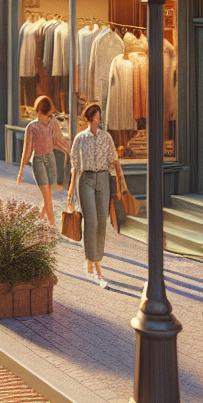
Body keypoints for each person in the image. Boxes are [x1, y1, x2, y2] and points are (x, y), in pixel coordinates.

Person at [65, 102, 125, 288]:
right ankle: (97, 269)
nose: (97, 122)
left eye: (98, 118)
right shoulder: (80, 139)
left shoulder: (106, 138)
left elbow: (113, 162)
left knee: (101, 223)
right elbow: (74, 165)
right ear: (88, 120)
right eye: (94, 119)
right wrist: (70, 191)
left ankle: (93, 259)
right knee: (90, 222)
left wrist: (116, 187)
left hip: (103, 180)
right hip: (86, 180)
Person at [17, 95, 70, 227]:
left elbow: (59, 140)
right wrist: (21, 169)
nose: (47, 118)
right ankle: (52, 226)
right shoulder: (32, 127)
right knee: (46, 192)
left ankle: (41, 215)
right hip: (39, 161)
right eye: (44, 115)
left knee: (49, 191)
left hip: (50, 158)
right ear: (37, 113)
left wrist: (71, 151)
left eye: (48, 115)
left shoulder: (53, 122)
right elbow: (27, 149)